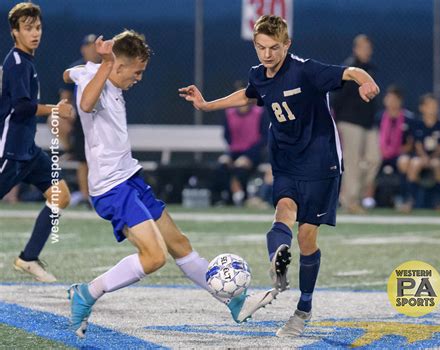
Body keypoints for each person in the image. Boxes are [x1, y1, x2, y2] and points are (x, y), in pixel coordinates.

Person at [64, 31, 276, 338]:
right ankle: (87, 292)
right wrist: (105, 61)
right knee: (154, 258)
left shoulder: (90, 70)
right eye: (136, 72)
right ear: (117, 66)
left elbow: (67, 73)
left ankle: (235, 302)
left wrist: (92, 63)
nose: (138, 78)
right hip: (111, 187)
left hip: (130, 177)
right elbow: (85, 103)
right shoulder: (95, 79)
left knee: (180, 244)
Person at [179, 15, 379, 337]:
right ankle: (278, 260)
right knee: (283, 210)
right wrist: (206, 106)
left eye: (274, 48)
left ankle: (303, 308)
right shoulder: (258, 74)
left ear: (287, 45)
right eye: (261, 47)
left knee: (306, 238)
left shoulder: (306, 70)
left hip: (320, 162)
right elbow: (249, 95)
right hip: (285, 160)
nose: (267, 55)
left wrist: (365, 80)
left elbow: (349, 72)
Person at [0, 2, 73, 282]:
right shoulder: (17, 63)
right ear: (14, 32)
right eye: (28, 28)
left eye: (38, 27)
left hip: (28, 152)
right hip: (10, 152)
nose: (35, 33)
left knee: (61, 196)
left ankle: (28, 258)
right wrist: (56, 108)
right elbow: (21, 107)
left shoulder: (26, 61)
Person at [331, 34, 380, 213]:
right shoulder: (349, 69)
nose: (366, 51)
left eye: (368, 48)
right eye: (362, 47)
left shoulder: (371, 68)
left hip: (368, 123)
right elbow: (337, 97)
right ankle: (350, 201)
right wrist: (338, 120)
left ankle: (356, 195)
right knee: (352, 161)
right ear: (355, 49)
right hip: (350, 121)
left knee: (374, 159)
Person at [58, 34, 101, 207]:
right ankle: (86, 196)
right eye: (89, 46)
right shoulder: (78, 68)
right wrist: (68, 113)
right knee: (84, 158)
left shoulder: (106, 68)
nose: (92, 50)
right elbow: (65, 92)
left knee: (98, 158)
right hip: (83, 119)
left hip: (100, 118)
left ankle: (98, 194)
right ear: (83, 49)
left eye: (95, 46)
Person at [214, 80, 268, 206]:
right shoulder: (229, 114)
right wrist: (230, 155)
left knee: (241, 169)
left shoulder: (259, 112)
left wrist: (248, 156)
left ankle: (240, 198)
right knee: (222, 166)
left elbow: (265, 137)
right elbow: (227, 136)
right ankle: (226, 198)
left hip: (254, 153)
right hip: (235, 152)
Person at [405, 93, 440, 211]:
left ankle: (439, 201)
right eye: (429, 105)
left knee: (437, 164)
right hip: (421, 156)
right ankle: (410, 200)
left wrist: (432, 157)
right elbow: (417, 144)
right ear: (422, 108)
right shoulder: (417, 123)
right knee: (414, 163)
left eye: (435, 105)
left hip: (436, 157)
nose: (433, 108)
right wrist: (424, 157)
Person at [377, 85, 415, 207]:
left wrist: (397, 151)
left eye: (394, 99)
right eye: (389, 98)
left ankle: (404, 198)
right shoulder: (379, 117)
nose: (391, 102)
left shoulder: (408, 118)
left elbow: (411, 142)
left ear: (400, 101)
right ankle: (368, 199)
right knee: (369, 161)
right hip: (381, 153)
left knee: (404, 162)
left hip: (400, 154)